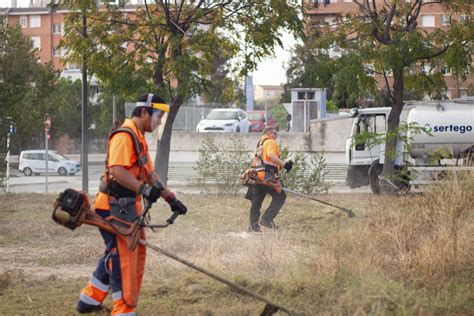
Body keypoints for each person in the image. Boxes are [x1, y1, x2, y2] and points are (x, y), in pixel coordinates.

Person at [76, 93, 187, 316]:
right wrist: (143, 190)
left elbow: (150, 174)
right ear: (144, 112)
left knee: (121, 253)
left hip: (126, 208)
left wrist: (170, 198)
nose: (158, 122)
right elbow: (117, 171)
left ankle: (88, 300)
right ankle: (124, 311)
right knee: (123, 259)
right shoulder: (124, 136)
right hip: (112, 208)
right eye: (157, 116)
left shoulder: (138, 137)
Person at [247, 126, 293, 232]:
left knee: (256, 202)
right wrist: (285, 165)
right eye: (275, 133)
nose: (276, 136)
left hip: (256, 176)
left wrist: (280, 166)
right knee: (280, 196)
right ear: (269, 133)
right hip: (267, 176)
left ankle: (253, 227)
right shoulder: (270, 142)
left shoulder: (260, 143)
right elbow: (271, 156)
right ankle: (267, 219)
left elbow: (266, 160)